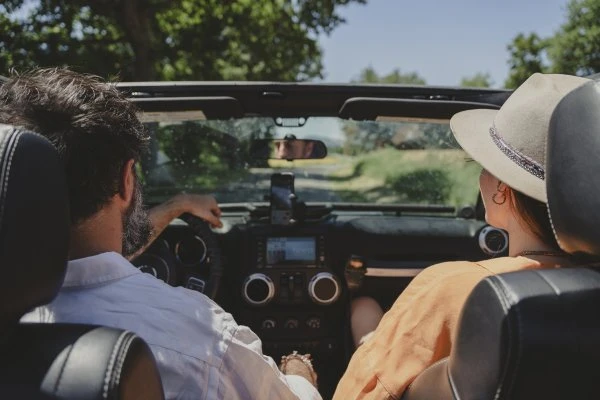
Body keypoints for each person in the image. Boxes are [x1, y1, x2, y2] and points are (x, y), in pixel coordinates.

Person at [1, 68, 320, 400]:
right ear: (127, 180)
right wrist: (300, 373)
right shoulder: (202, 337)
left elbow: (97, 260)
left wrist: (177, 205)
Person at [333, 73, 591, 400]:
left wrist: (368, 341)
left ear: (502, 190)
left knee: (362, 313)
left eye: (484, 165)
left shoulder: (453, 289)